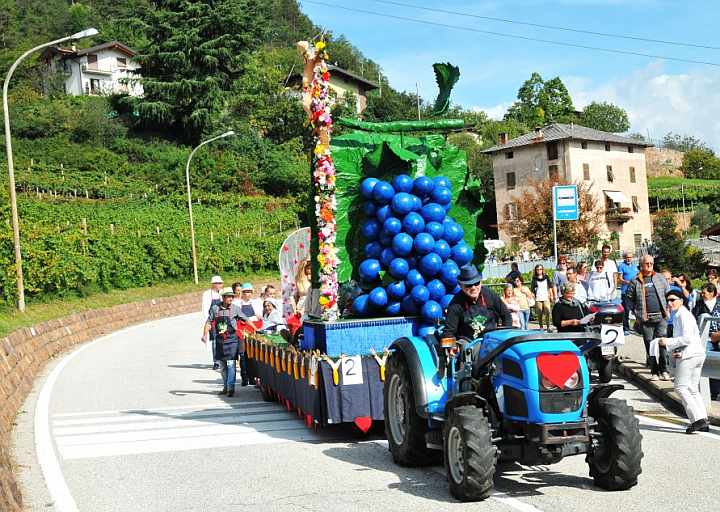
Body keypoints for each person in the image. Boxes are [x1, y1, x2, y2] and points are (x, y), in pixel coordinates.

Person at [658, 288, 709, 433]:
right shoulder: (681, 314)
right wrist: (677, 349)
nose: (670, 303)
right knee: (692, 388)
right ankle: (703, 419)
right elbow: (689, 338)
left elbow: (686, 338)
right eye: (668, 300)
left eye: (673, 300)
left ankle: (697, 419)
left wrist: (667, 342)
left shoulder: (682, 315)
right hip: (696, 353)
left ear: (681, 300)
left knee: (680, 387)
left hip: (690, 355)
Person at [626, 255, 670, 379]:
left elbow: (669, 294)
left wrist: (668, 310)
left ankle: (664, 370)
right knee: (650, 345)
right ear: (641, 265)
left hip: (661, 317)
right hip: (646, 318)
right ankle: (654, 372)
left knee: (662, 343)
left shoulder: (660, 278)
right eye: (647, 263)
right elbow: (629, 299)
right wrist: (636, 314)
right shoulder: (635, 281)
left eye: (651, 263)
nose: (649, 265)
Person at [203, 288, 254, 395]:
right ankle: (225, 387)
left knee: (231, 364)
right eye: (228, 296)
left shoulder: (235, 309)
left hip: (232, 340)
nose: (231, 298)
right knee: (222, 366)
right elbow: (208, 322)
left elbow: (245, 319)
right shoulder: (215, 308)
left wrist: (256, 329)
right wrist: (204, 335)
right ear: (223, 297)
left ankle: (231, 387)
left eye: (232, 296)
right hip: (220, 340)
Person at [445, 264, 513, 339]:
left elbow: (506, 315)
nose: (473, 288)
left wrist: (506, 336)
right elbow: (449, 332)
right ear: (461, 285)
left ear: (481, 282)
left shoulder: (489, 294)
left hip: (491, 341)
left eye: (476, 283)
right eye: (469, 285)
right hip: (469, 344)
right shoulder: (455, 304)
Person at [692, 282, 720, 400]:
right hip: (705, 339)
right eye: (701, 293)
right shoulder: (698, 305)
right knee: (706, 364)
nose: (702, 295)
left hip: (718, 338)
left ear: (712, 293)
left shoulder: (719, 305)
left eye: (705, 293)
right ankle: (711, 392)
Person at [201, 275, 223, 369]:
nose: (220, 285)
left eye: (220, 283)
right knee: (214, 340)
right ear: (213, 284)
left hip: (222, 319)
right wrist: (207, 322)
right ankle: (216, 361)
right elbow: (205, 308)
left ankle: (222, 359)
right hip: (212, 320)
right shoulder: (207, 294)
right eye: (218, 283)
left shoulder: (222, 293)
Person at [618, 251, 639, 335]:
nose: (629, 259)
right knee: (626, 311)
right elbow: (619, 279)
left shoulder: (634, 266)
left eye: (630, 257)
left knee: (637, 310)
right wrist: (628, 282)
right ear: (624, 258)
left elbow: (638, 275)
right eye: (627, 257)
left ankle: (637, 327)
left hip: (635, 291)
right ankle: (626, 328)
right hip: (625, 292)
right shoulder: (621, 266)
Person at [530, 265, 555, 331]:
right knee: (539, 313)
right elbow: (532, 290)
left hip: (546, 297)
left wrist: (551, 295)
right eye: (537, 269)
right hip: (538, 298)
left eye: (540, 269)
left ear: (542, 270)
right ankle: (541, 327)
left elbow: (550, 287)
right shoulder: (534, 279)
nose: (539, 270)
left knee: (548, 311)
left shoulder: (546, 277)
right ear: (536, 270)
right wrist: (532, 297)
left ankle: (548, 326)